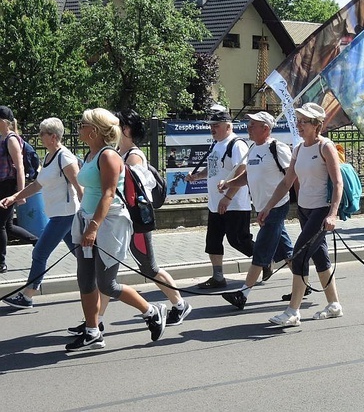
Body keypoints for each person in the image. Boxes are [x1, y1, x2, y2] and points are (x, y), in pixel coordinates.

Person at [66, 108, 166, 352]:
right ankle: (92, 332)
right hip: (87, 219)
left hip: (108, 223)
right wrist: (86, 223)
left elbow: (109, 194)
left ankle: (152, 311)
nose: (79, 128)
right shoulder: (90, 155)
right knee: (85, 280)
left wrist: (93, 227)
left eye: (83, 124)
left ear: (94, 130)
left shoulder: (108, 156)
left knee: (107, 285)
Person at [259, 102, 343, 327]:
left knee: (299, 255)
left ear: (317, 125)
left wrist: (333, 214)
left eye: (304, 121)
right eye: (298, 120)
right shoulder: (298, 149)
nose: (299, 125)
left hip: (321, 210)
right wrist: (268, 207)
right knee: (319, 257)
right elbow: (287, 181)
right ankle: (334, 304)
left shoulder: (325, 147)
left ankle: (292, 311)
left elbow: (337, 182)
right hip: (304, 210)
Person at [107, 109, 192, 325]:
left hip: (135, 222)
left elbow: (136, 193)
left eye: (115, 125)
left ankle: (180, 305)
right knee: (106, 270)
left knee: (149, 268)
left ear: (125, 129)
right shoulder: (118, 152)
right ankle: (93, 321)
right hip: (120, 221)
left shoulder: (134, 156)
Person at [1, 117, 83, 308]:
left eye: (42, 133)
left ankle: (28, 295)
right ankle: (102, 279)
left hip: (65, 214)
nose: (39, 137)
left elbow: (80, 188)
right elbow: (38, 184)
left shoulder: (65, 158)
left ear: (53, 137)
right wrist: (14, 197)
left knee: (39, 253)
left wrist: (90, 217)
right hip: (58, 214)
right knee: (81, 254)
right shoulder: (49, 157)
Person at [218, 111, 295, 310]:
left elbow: (291, 177)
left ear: (266, 129)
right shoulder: (252, 148)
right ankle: (303, 284)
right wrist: (229, 184)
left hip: (276, 205)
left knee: (261, 248)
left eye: (253, 125)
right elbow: (247, 177)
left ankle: (243, 294)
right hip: (262, 206)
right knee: (285, 249)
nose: (248, 127)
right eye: (248, 124)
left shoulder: (277, 148)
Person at [185, 109, 253, 289]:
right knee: (213, 242)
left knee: (238, 240)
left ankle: (263, 259)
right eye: (211, 126)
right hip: (215, 203)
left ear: (228, 126)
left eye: (216, 125)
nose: (212, 129)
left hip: (235, 204)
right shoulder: (216, 144)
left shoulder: (237, 144)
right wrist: (197, 176)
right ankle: (218, 277)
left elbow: (242, 173)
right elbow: (213, 169)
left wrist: (228, 197)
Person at [0, 106, 28, 274]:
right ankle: (38, 241)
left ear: (3, 121)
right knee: (8, 226)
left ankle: (1, 262)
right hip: (2, 185)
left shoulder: (11, 139)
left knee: (0, 225)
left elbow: (20, 168)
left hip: (8, 186)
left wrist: (20, 194)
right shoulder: (2, 137)